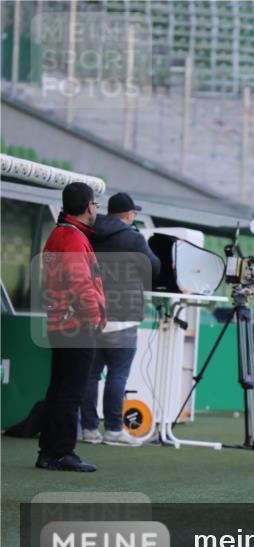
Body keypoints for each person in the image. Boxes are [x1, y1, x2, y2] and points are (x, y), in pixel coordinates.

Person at [80, 192, 160, 446]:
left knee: (91, 375)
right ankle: (114, 429)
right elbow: (154, 268)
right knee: (118, 374)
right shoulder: (133, 238)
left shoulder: (88, 232)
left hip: (92, 314)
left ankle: (89, 429)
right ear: (128, 215)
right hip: (122, 317)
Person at [36, 182, 106, 472]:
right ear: (88, 205)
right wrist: (95, 317)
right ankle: (62, 452)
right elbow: (80, 283)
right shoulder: (74, 238)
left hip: (61, 323)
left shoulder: (60, 234)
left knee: (59, 389)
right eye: (96, 204)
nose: (97, 209)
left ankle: (49, 452)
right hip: (76, 324)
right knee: (70, 391)